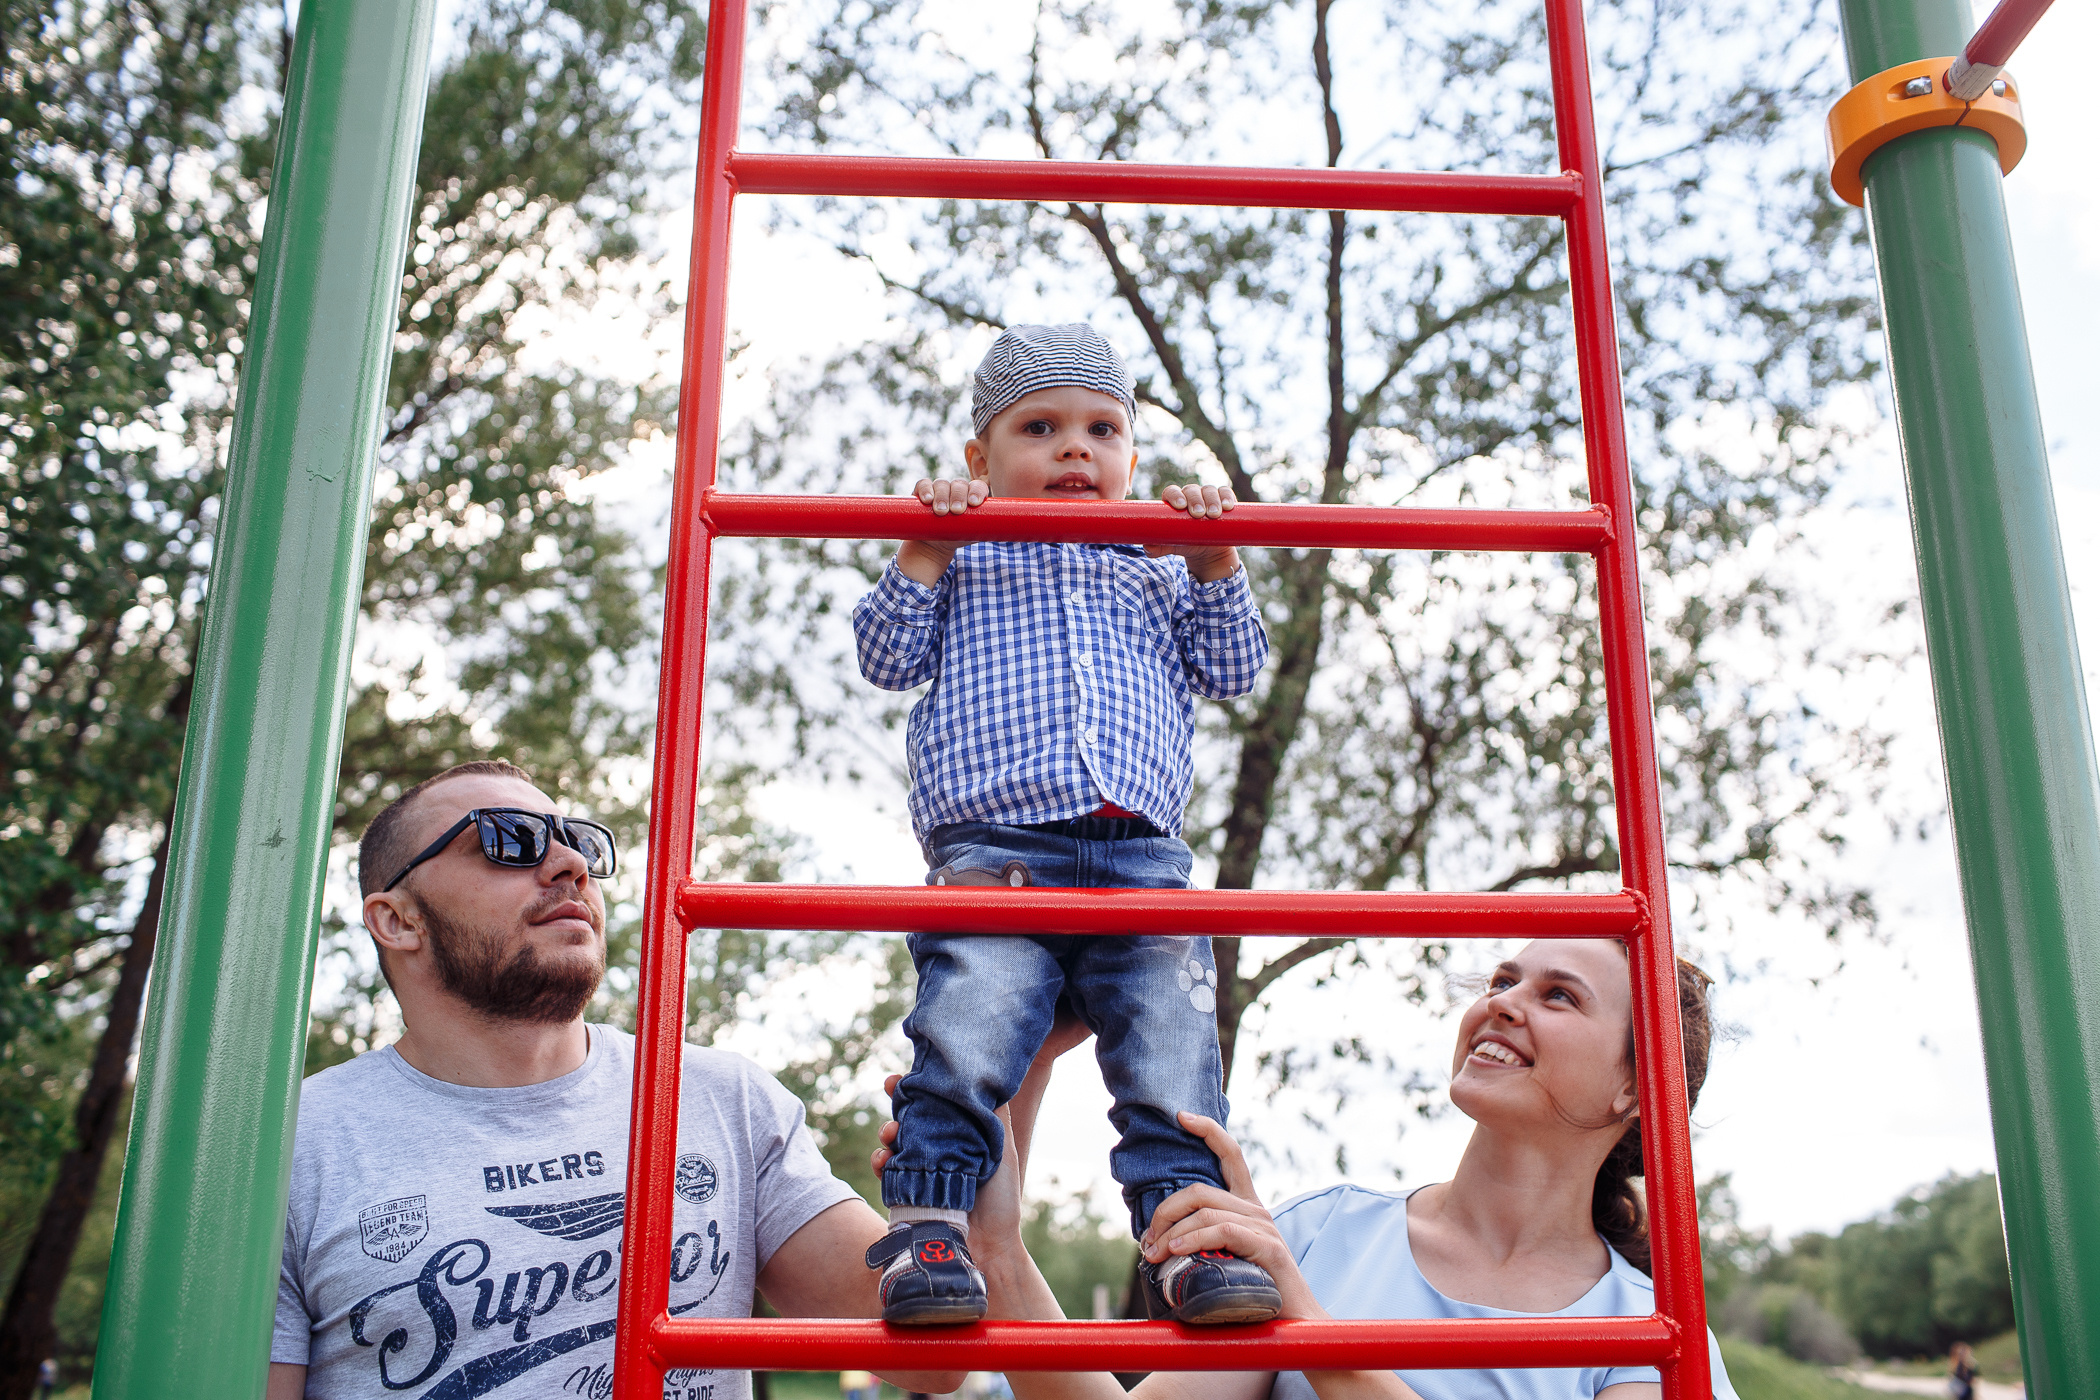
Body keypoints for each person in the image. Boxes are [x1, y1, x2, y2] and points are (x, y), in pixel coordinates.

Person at [268, 759, 955, 1400]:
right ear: (399, 919)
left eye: (580, 842)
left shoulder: (724, 1100)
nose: (569, 865)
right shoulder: (292, 1150)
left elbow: (931, 1361)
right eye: (510, 841)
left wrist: (978, 1148)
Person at [848, 322, 1277, 1329]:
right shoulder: (969, 552)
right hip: (999, 852)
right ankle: (930, 1230)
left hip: (1140, 854)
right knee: (970, 1024)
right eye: (1039, 428)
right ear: (979, 460)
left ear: (1131, 455)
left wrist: (1215, 555)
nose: (1074, 449)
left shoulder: (1154, 559)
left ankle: (1188, 1232)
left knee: (1171, 1043)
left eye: (1101, 429)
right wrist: (924, 545)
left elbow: (1234, 669)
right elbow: (884, 654)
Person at [883, 937, 1741, 1399]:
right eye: (1503, 978)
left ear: (1636, 1086)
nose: (1503, 1002)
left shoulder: (1652, 1336)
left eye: (1559, 996)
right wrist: (999, 1244)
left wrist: (1307, 1327)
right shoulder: (1318, 1232)